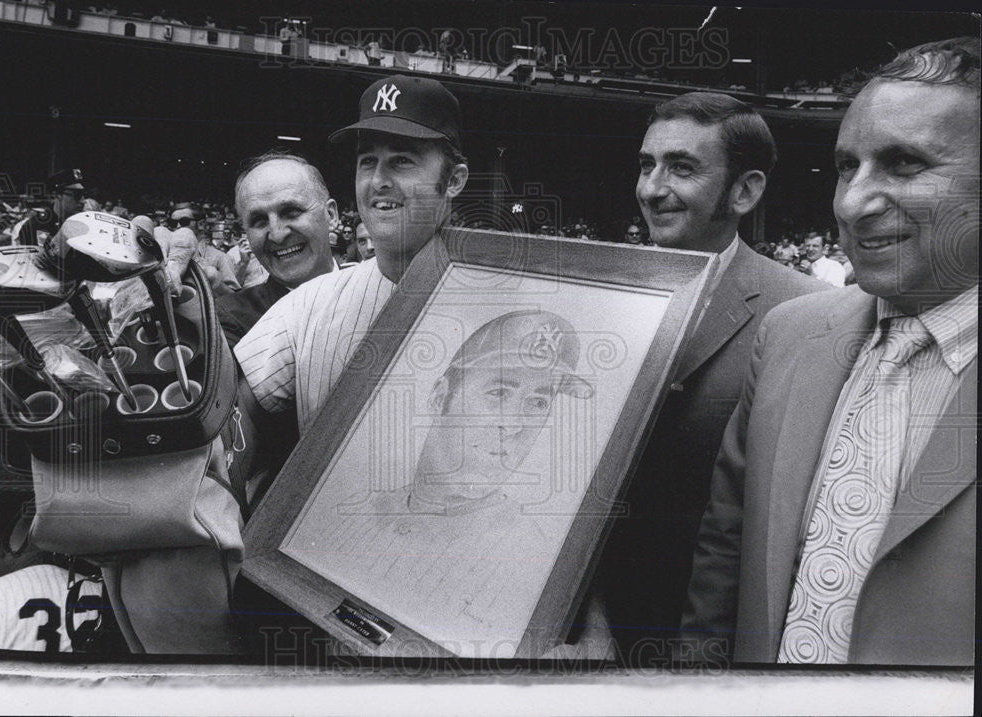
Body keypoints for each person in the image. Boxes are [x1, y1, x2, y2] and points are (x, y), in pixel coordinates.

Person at [682, 37, 978, 666]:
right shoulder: (788, 335)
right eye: (848, 166)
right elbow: (723, 565)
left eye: (905, 165)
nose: (851, 204)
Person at [594, 91, 827, 666]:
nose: (651, 188)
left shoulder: (805, 314)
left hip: (718, 643)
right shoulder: (596, 297)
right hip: (589, 625)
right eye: (646, 165)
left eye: (682, 167)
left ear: (744, 191)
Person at [292, 310, 599, 658]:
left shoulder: (529, 561)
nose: (515, 425)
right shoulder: (355, 512)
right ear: (440, 396)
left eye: (538, 402)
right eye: (499, 392)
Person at [235, 74, 468, 429]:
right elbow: (233, 423)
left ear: (453, 180)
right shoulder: (306, 305)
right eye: (367, 161)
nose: (378, 181)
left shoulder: (508, 303)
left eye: (402, 160)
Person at [216, 152, 339, 348]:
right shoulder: (228, 320)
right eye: (259, 220)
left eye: (291, 212)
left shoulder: (380, 293)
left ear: (331, 215)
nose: (277, 234)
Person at [172, 206, 240, 296]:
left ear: (201, 224)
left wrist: (215, 282)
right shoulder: (169, 254)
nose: (178, 226)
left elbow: (233, 296)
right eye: (172, 223)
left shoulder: (219, 257)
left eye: (184, 222)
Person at [11, 168, 85, 246]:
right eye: (77, 196)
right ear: (56, 195)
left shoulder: (85, 223)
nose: (83, 201)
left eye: (84, 195)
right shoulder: (34, 226)